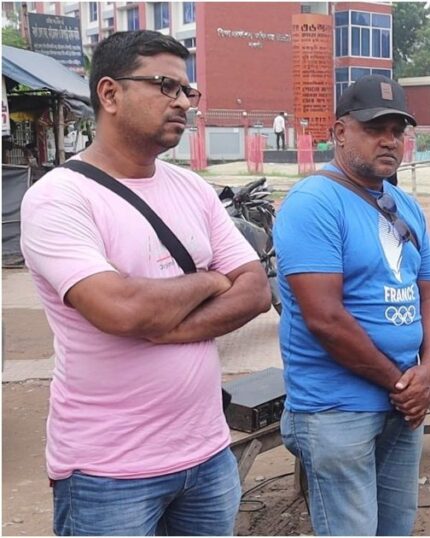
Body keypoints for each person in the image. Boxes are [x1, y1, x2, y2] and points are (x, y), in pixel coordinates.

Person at [19, 30, 271, 536]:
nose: (183, 102)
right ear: (110, 93)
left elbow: (256, 289)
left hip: (207, 454)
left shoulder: (192, 189)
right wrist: (211, 279)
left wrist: (169, 325)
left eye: (187, 90)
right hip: (108, 472)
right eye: (165, 86)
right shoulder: (59, 199)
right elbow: (123, 310)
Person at [273, 75, 430, 536]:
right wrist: (402, 384)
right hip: (337, 410)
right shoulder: (314, 203)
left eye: (397, 131)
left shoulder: (404, 205)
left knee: (396, 528)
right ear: (340, 132)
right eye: (374, 129)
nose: (389, 141)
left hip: (402, 403)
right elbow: (325, 319)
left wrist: (428, 373)